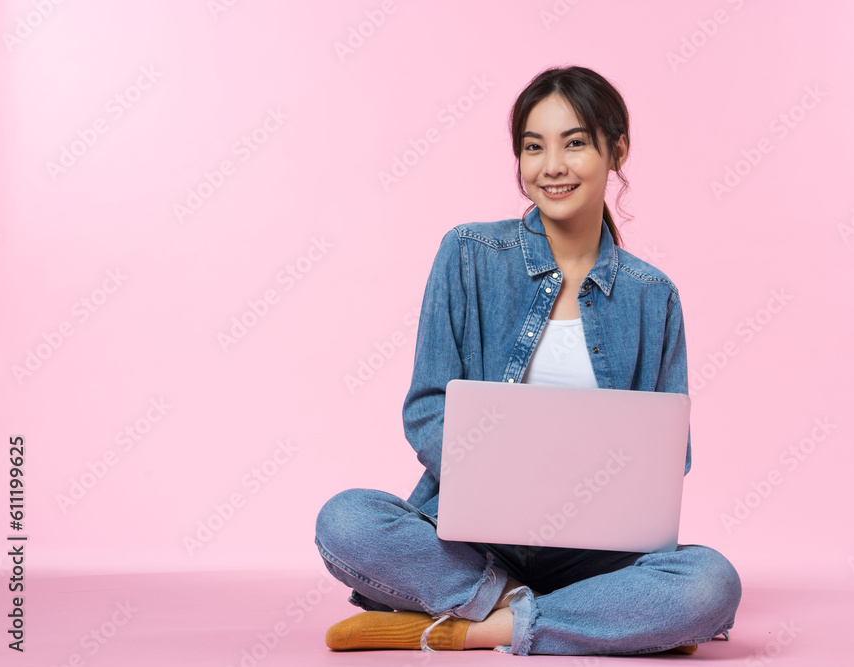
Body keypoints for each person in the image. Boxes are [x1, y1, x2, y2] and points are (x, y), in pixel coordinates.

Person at [314, 64, 742, 656]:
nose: (551, 167)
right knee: (346, 520)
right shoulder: (468, 254)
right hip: (476, 542)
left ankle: (473, 626)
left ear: (616, 150)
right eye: (533, 147)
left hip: (597, 557)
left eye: (575, 144)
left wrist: (589, 494)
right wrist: (511, 484)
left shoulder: (653, 296)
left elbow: (669, 454)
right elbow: (426, 408)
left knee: (710, 583)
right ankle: (583, 622)